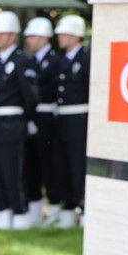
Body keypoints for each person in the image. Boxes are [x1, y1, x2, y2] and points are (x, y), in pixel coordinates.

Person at [0, 11, 38, 230]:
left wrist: (26, 119)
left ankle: (19, 214)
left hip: (11, 124)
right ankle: (3, 214)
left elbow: (31, 96)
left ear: (14, 36)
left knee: (11, 174)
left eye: (3, 33)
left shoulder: (21, 61)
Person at [22, 17, 62, 227]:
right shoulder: (30, 62)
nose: (29, 41)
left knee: (49, 165)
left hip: (48, 119)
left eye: (33, 36)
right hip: (32, 118)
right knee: (32, 167)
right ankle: (35, 210)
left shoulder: (55, 61)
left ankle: (55, 208)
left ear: (44, 37)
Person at [53, 14, 90, 228]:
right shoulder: (62, 61)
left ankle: (83, 209)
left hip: (79, 120)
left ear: (76, 36)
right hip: (63, 121)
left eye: (64, 34)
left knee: (78, 168)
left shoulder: (85, 58)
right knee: (63, 167)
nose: (60, 37)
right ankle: (68, 211)